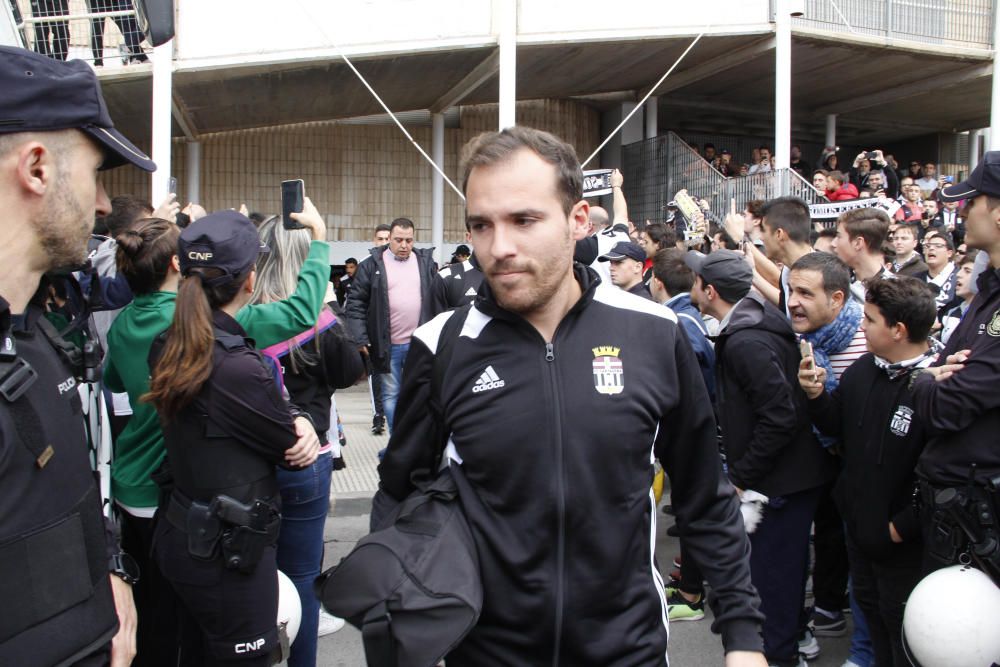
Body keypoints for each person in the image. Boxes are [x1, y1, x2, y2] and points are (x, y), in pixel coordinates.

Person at [374, 126, 767, 666]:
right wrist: (395, 626)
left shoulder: (655, 334)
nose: (499, 247)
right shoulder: (440, 346)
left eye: (524, 220)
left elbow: (704, 495)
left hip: (627, 649)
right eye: (481, 225)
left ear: (579, 220)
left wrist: (743, 637)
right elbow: (400, 494)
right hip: (486, 653)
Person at [103, 204, 331, 665]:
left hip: (137, 491)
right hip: (197, 510)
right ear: (248, 281)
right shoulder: (210, 333)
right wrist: (320, 237)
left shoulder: (134, 325)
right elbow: (303, 311)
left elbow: (111, 382)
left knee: (158, 619)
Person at [0, 45, 157, 666]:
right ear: (37, 168)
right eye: (96, 175)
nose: (100, 206)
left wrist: (109, 573)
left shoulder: (34, 330)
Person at [687, 249, 836, 667]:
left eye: (696, 279)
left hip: (782, 485)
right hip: (784, 480)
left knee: (773, 588)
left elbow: (780, 416)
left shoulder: (747, 338)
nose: (692, 284)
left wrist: (740, 475)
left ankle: (780, 657)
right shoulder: (751, 322)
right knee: (773, 583)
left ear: (709, 290)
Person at [799, 276, 939, 667]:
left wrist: (900, 527)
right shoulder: (863, 369)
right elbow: (834, 425)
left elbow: (941, 477)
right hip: (858, 529)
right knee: (871, 616)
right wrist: (815, 395)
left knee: (906, 633)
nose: (861, 327)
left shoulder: (936, 385)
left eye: (871, 320)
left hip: (905, 546)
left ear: (898, 330)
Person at [251, 217, 365, 667]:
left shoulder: (242, 315)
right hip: (306, 460)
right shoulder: (319, 320)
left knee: (248, 574)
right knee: (301, 575)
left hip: (248, 463)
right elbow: (349, 373)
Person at [910, 152, 1000, 577]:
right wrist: (930, 378)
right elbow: (943, 364)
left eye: (972, 202)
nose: (963, 212)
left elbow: (948, 404)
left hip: (981, 510)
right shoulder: (988, 290)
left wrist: (924, 383)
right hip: (955, 503)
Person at [343, 217, 440, 436]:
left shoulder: (425, 263)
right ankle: (399, 442)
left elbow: (437, 299)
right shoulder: (371, 266)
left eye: (409, 240)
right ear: (390, 240)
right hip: (387, 346)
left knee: (421, 394)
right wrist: (360, 337)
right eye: (398, 240)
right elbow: (356, 303)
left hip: (420, 345)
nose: (404, 245)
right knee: (390, 394)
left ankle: (415, 442)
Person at [830, 207, 893, 302]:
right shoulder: (838, 282)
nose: (833, 243)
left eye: (839, 236)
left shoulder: (894, 292)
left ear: (858, 243)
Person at [939, 249, 979, 345]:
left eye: (967, 271)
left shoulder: (988, 314)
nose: (958, 274)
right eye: (960, 269)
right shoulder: (952, 312)